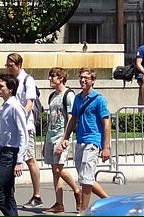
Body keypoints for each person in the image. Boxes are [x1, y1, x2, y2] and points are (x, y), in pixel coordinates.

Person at [57, 68, 113, 213]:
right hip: (80, 141)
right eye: (81, 77)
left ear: (93, 81)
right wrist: (65, 137)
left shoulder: (99, 99)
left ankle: (83, 211)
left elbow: (106, 123)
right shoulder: (77, 98)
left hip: (93, 141)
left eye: (86, 78)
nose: (83, 80)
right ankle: (108, 200)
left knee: (86, 179)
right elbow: (73, 118)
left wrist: (106, 147)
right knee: (84, 178)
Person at [5, 52, 45, 207]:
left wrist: (20, 118)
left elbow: (30, 103)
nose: (9, 68)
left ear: (19, 65)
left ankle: (37, 195)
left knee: (29, 159)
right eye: (7, 65)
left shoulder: (27, 80)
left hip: (25, 126)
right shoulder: (11, 80)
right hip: (12, 127)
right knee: (9, 157)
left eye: (11, 65)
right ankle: (4, 192)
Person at [42, 68, 80, 213]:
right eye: (50, 76)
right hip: (51, 135)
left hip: (61, 136)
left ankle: (77, 191)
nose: (50, 79)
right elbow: (50, 119)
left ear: (61, 78)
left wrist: (65, 138)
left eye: (53, 76)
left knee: (59, 168)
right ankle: (59, 203)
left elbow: (71, 117)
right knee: (55, 170)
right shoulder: (52, 96)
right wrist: (46, 139)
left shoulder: (68, 95)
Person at [0, 73, 25, 217]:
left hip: (11, 153)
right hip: (5, 150)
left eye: (1, 86)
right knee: (8, 193)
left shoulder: (15, 107)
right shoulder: (6, 106)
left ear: (10, 88)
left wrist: (19, 160)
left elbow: (23, 134)